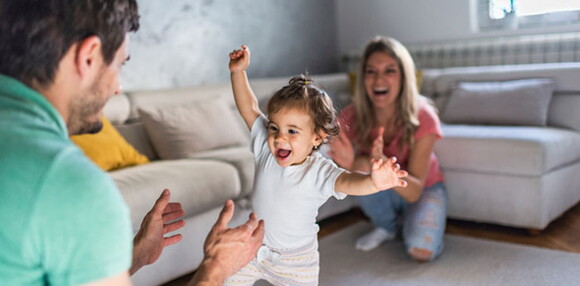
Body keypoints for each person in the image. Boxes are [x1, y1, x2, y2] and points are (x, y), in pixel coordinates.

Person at [0, 1, 264, 285]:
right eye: (118, 64)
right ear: (88, 56)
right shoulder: (70, 186)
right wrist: (215, 270)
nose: (118, 88)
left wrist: (136, 256)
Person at [226, 45, 408, 285]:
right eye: (274, 128)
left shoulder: (319, 171)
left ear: (317, 137)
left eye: (292, 131)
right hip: (253, 248)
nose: (280, 138)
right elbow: (249, 108)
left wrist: (373, 182)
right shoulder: (265, 150)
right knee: (224, 278)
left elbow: (348, 182)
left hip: (296, 262)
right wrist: (238, 72)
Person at [329, 36, 447, 262]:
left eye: (389, 71)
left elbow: (414, 192)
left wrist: (385, 167)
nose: (378, 79)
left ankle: (408, 223)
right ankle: (387, 226)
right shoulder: (352, 115)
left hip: (423, 189)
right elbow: (324, 147)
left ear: (403, 77)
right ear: (363, 78)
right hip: (383, 190)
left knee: (421, 251)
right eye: (371, 71)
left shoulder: (424, 116)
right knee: (363, 165)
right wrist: (349, 164)